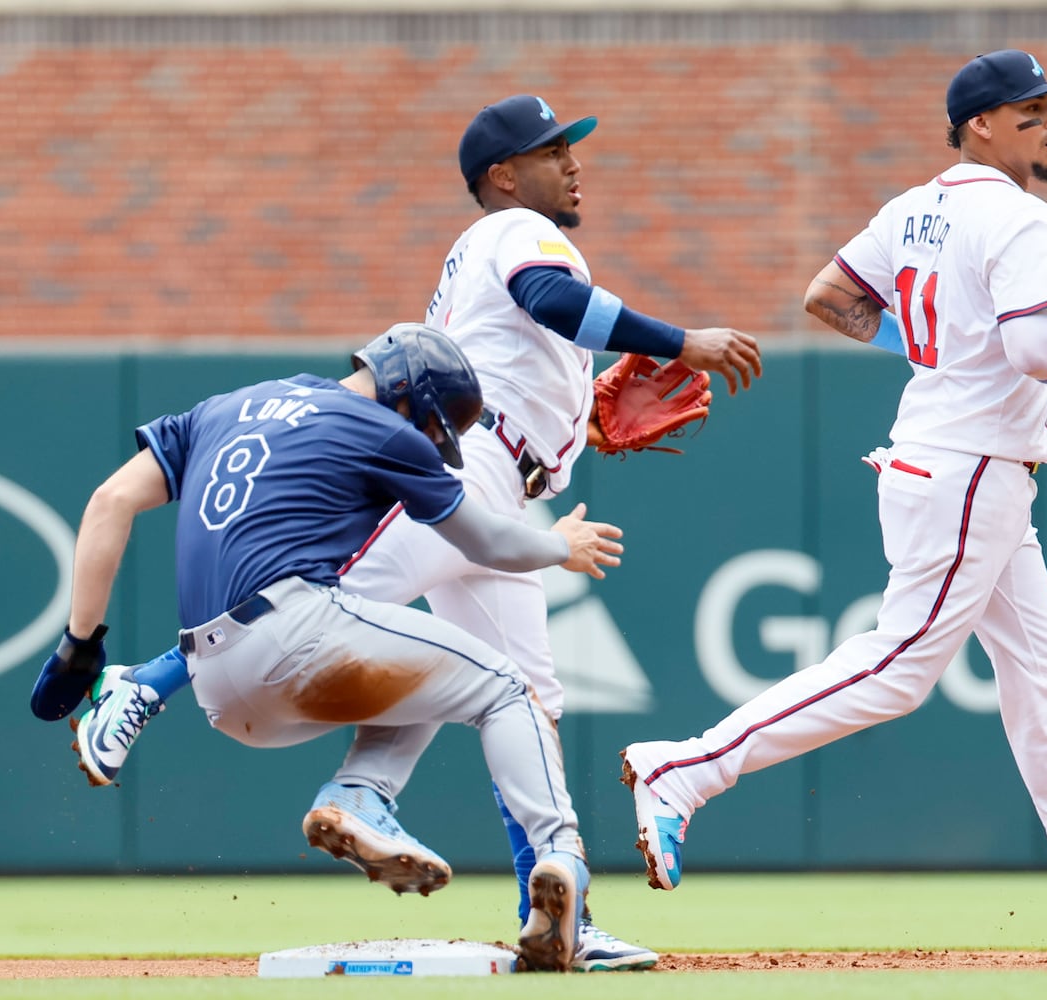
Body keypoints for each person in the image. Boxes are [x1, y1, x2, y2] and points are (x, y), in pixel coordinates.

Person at [43, 95, 764, 972]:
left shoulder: (490, 253)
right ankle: (143, 688)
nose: (572, 163)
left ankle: (517, 889)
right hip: (463, 463)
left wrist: (585, 427)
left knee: (515, 692)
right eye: (550, 151)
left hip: (507, 469)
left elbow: (529, 339)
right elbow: (552, 300)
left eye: (570, 148)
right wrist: (682, 340)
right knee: (347, 607)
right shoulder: (514, 233)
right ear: (503, 177)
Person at [618, 49, 1047, 957]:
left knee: (1044, 680)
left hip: (961, 464)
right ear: (979, 123)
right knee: (897, 670)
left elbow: (827, 297)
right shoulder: (1024, 219)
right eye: (1029, 108)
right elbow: (1039, 354)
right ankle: (685, 770)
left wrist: (940, 348)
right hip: (969, 469)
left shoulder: (913, 208)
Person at [35, 324, 624, 972]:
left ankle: (357, 792)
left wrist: (78, 646)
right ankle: (562, 858)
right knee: (508, 687)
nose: (432, 445)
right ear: (412, 395)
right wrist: (559, 545)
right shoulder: (383, 428)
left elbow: (109, 501)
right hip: (295, 638)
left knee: (428, 671)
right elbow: (487, 543)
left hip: (222, 691)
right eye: (435, 429)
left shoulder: (220, 409)